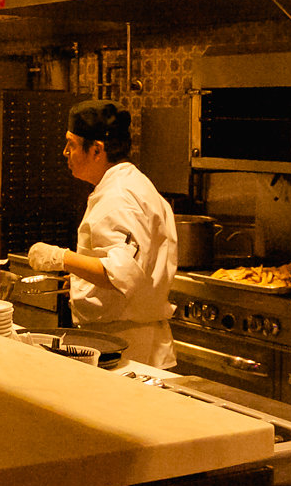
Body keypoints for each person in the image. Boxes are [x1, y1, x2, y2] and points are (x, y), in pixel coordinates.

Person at [26, 101, 179, 368]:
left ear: (97, 149)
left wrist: (60, 257)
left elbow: (120, 273)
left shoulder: (120, 195)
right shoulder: (129, 184)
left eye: (71, 145)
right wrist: (80, 281)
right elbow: (123, 265)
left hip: (125, 346)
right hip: (122, 338)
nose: (65, 152)